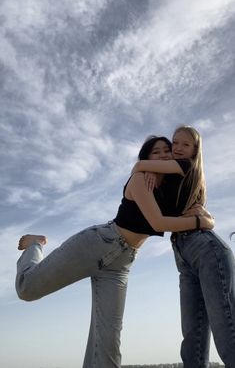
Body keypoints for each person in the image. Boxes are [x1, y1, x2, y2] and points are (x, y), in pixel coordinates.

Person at [15, 136, 213, 368]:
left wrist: (202, 215)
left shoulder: (171, 192)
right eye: (156, 152)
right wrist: (202, 222)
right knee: (27, 289)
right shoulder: (139, 179)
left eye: (167, 151)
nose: (163, 155)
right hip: (99, 243)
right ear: (147, 158)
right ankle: (35, 244)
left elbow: (187, 212)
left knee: (108, 346)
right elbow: (159, 223)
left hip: (121, 265)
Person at [132, 126, 235, 368]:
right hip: (182, 251)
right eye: (175, 143)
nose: (177, 148)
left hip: (205, 248)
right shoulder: (170, 176)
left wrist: (145, 166)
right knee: (193, 336)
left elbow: (138, 166)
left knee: (226, 328)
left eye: (185, 145)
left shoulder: (186, 166)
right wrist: (153, 173)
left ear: (195, 151)